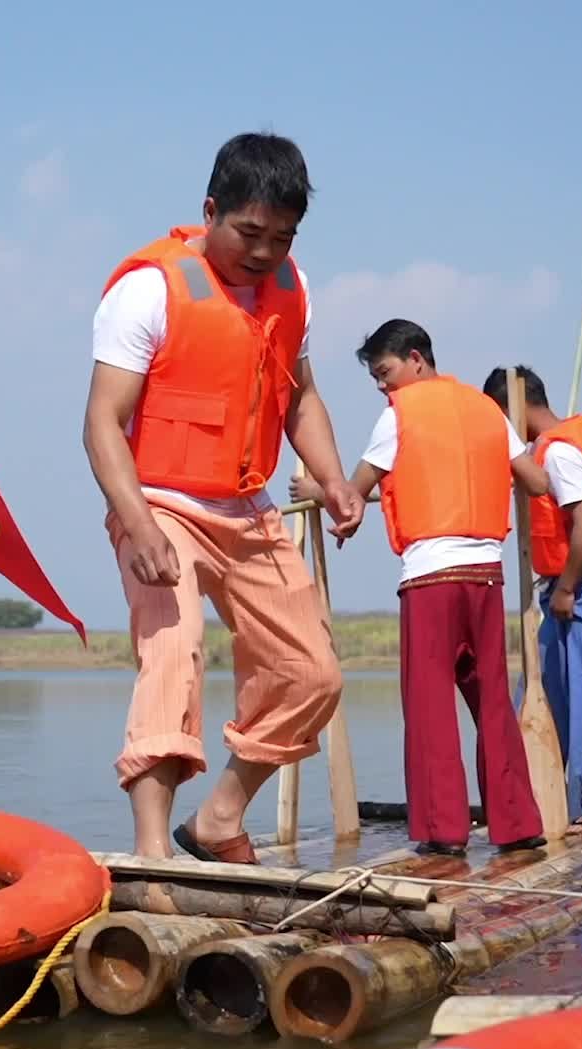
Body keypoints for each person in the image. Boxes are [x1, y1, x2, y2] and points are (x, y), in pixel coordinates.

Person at [82, 132, 363, 864]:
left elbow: (300, 398)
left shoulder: (292, 290)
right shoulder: (150, 288)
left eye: (282, 237)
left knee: (313, 674)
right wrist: (138, 524)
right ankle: (152, 857)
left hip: (246, 507)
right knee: (174, 654)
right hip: (160, 505)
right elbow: (102, 423)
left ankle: (217, 820)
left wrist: (333, 479)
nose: (265, 252)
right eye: (249, 232)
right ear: (210, 210)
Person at [292, 320, 549, 857]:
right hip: (486, 574)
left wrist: (315, 488)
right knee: (495, 704)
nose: (383, 387)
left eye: (385, 373)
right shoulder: (488, 411)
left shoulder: (400, 415)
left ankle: (442, 832)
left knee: (430, 707)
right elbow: (537, 481)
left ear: (415, 359)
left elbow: (351, 499)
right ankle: (519, 824)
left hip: (431, 578)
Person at [481, 365, 582, 837]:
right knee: (543, 689)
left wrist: (567, 588)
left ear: (516, 407)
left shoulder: (562, 451)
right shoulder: (546, 449)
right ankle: (542, 797)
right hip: (563, 589)